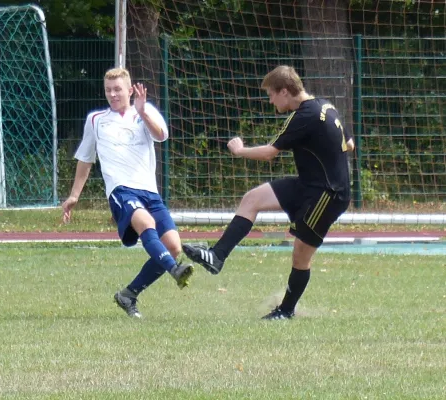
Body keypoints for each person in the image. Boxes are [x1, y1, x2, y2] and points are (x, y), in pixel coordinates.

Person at [182, 65, 355, 320]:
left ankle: (285, 311)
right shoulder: (325, 106)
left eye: (272, 95)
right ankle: (217, 256)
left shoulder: (303, 116)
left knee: (300, 255)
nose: (270, 100)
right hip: (309, 183)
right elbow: (349, 144)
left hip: (327, 194)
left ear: (284, 91)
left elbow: (269, 153)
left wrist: (240, 150)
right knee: (252, 199)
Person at [62, 67, 193, 319]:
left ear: (130, 90)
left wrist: (143, 111)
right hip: (121, 191)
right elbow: (85, 160)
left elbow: (162, 136)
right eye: (108, 90)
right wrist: (74, 195)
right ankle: (175, 271)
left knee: (173, 246)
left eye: (117, 89)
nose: (112, 94)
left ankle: (128, 294)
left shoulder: (144, 112)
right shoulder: (96, 120)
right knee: (145, 223)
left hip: (149, 192)